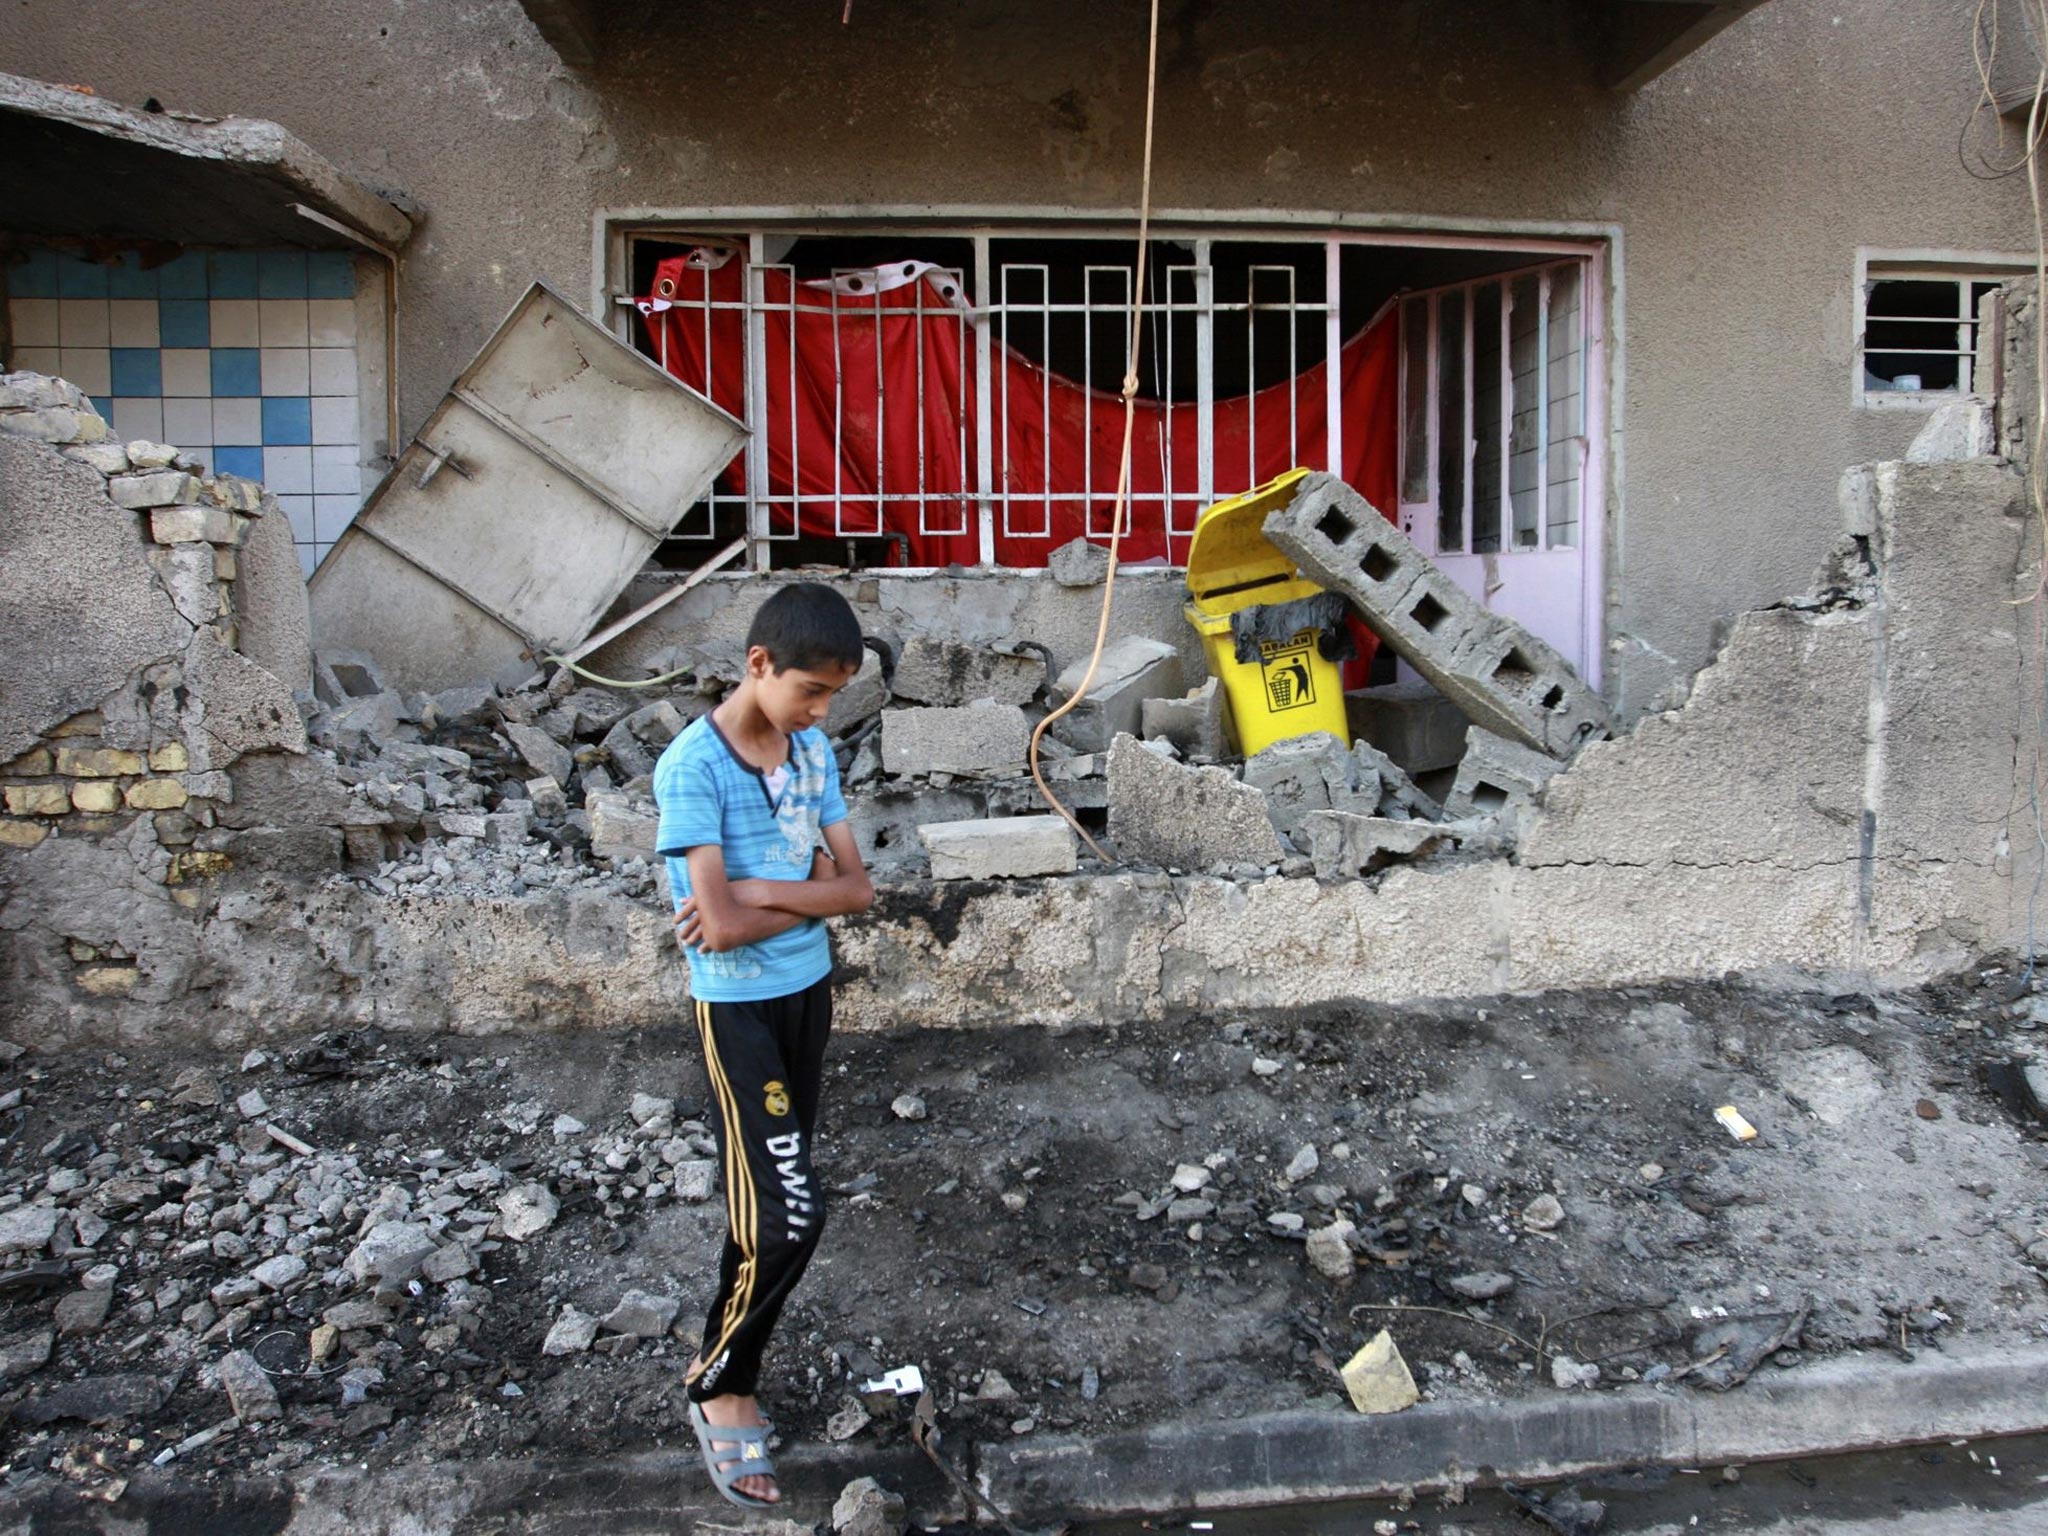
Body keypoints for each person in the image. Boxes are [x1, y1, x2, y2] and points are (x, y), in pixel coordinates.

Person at [652, 582, 875, 1510]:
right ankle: (720, 1386)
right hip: (738, 1012)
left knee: (770, 1204)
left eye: (833, 697)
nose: (821, 713)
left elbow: (857, 889)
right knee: (791, 1215)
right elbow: (722, 926)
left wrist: (762, 897)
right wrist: (799, 886)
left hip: (805, 998)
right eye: (812, 691)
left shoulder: (812, 751)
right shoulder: (691, 768)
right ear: (758, 666)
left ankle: (732, 1370)